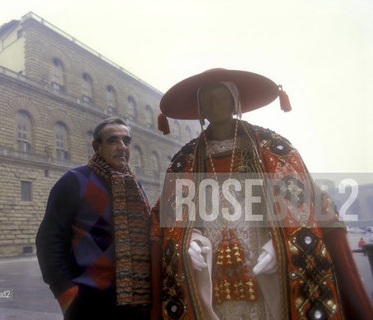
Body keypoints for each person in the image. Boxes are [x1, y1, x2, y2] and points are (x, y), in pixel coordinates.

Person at [150, 68, 373, 319]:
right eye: (206, 99)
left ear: (235, 99)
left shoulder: (274, 148)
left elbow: (304, 204)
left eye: (221, 96)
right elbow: (169, 217)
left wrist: (283, 244)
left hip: (265, 258)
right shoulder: (184, 160)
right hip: (208, 264)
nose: (214, 103)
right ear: (199, 106)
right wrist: (186, 241)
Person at [36, 117, 151, 320]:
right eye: (113, 140)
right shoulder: (74, 181)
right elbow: (48, 240)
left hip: (135, 300)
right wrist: (66, 295)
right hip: (88, 302)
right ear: (96, 147)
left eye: (126, 141)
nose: (122, 146)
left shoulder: (135, 187)